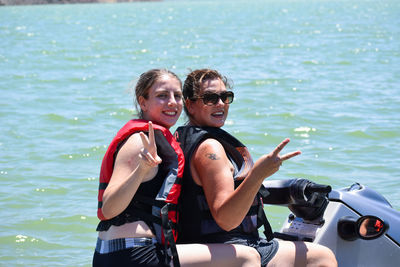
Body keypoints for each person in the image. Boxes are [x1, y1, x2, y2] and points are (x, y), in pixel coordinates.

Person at [92, 69, 261, 267]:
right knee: (247, 257)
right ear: (143, 102)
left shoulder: (157, 140)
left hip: (123, 251)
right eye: (162, 96)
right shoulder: (139, 141)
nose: (172, 102)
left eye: (177, 96)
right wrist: (141, 169)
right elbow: (109, 208)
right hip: (133, 252)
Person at [175, 68, 338, 267]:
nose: (220, 104)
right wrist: (257, 175)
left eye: (225, 97)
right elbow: (225, 219)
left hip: (203, 243)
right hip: (229, 246)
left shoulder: (185, 139)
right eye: (210, 98)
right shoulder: (211, 149)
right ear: (190, 105)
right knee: (322, 257)